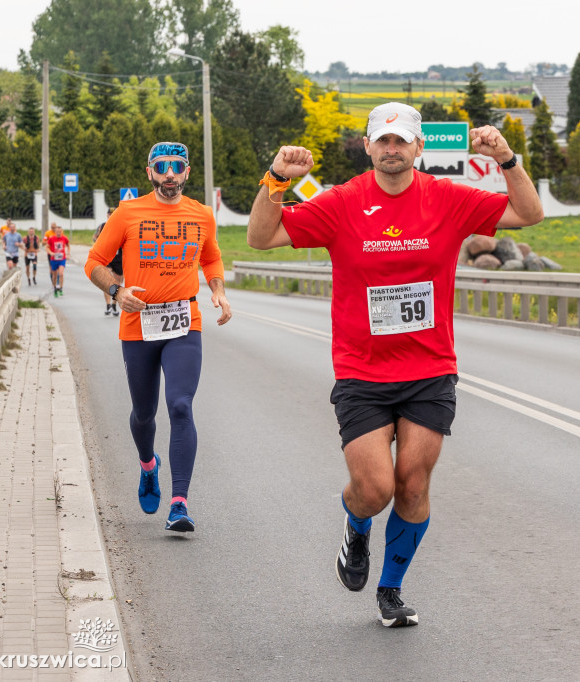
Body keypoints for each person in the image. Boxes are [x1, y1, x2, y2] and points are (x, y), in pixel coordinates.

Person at [246, 102, 543, 627]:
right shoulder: (341, 203)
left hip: (429, 368)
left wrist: (508, 160)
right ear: (368, 146)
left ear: (418, 147)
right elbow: (261, 237)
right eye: (382, 140)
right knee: (376, 488)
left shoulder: (447, 200)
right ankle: (356, 529)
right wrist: (276, 179)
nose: (391, 149)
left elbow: (527, 214)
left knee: (413, 485)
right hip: (362, 372)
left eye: (401, 140)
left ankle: (391, 589)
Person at [84, 141, 232, 534]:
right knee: (144, 413)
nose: (170, 173)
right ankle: (148, 464)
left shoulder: (201, 214)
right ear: (149, 172)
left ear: (186, 172)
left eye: (177, 166)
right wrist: (117, 293)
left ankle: (179, 502)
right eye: (162, 166)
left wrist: (216, 288)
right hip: (138, 324)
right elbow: (94, 262)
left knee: (181, 406)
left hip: (184, 321)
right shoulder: (128, 213)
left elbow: (211, 256)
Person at [93, 207, 121, 316]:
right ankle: (108, 305)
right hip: (107, 257)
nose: (111, 216)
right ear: (107, 215)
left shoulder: (121, 225)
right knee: (107, 281)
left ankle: (114, 305)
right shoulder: (102, 226)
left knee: (118, 282)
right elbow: (94, 237)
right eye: (110, 214)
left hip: (119, 258)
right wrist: (100, 242)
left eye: (113, 214)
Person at [45, 223, 70, 297]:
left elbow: (68, 246)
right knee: (55, 275)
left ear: (62, 232)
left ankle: (61, 288)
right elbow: (46, 247)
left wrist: (68, 253)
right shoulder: (51, 239)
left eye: (60, 232)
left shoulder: (64, 238)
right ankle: (55, 288)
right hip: (54, 259)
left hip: (62, 258)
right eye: (57, 232)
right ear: (55, 232)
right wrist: (51, 253)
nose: (59, 233)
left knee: (61, 273)